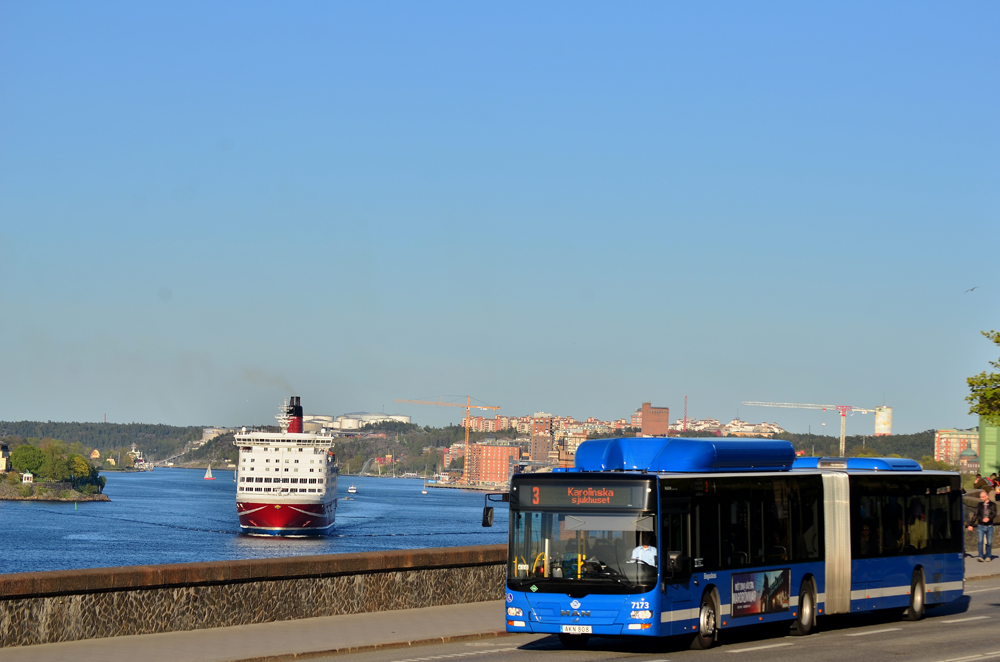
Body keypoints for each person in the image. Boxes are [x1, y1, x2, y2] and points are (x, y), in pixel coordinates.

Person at [967, 490, 997, 562]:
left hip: (989, 526)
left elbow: (994, 513)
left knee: (989, 542)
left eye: (983, 497)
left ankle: (988, 556)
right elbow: (975, 514)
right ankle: (980, 556)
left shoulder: (992, 505)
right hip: (980, 526)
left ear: (987, 496)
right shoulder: (979, 505)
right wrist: (971, 525)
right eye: (980, 497)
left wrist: (989, 518)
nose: (981, 498)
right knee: (980, 541)